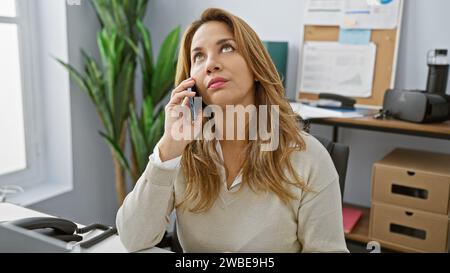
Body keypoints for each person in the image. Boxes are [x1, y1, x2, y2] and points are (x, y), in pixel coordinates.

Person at [116, 8, 348, 253]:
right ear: (190, 82)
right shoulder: (182, 152)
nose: (211, 64)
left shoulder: (308, 156)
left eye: (226, 48)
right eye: (198, 56)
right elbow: (133, 238)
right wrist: (168, 148)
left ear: (256, 65)